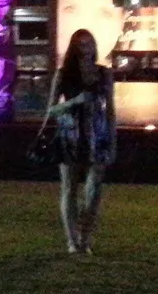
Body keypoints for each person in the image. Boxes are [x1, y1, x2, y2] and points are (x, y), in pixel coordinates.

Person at [46, 28, 117, 254]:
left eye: (89, 44)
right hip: (70, 133)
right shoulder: (64, 73)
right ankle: (71, 239)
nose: (86, 49)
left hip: (98, 133)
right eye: (81, 45)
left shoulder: (104, 73)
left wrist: (112, 138)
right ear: (74, 48)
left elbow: (111, 110)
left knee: (94, 187)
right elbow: (51, 110)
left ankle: (85, 238)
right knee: (69, 188)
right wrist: (74, 101)